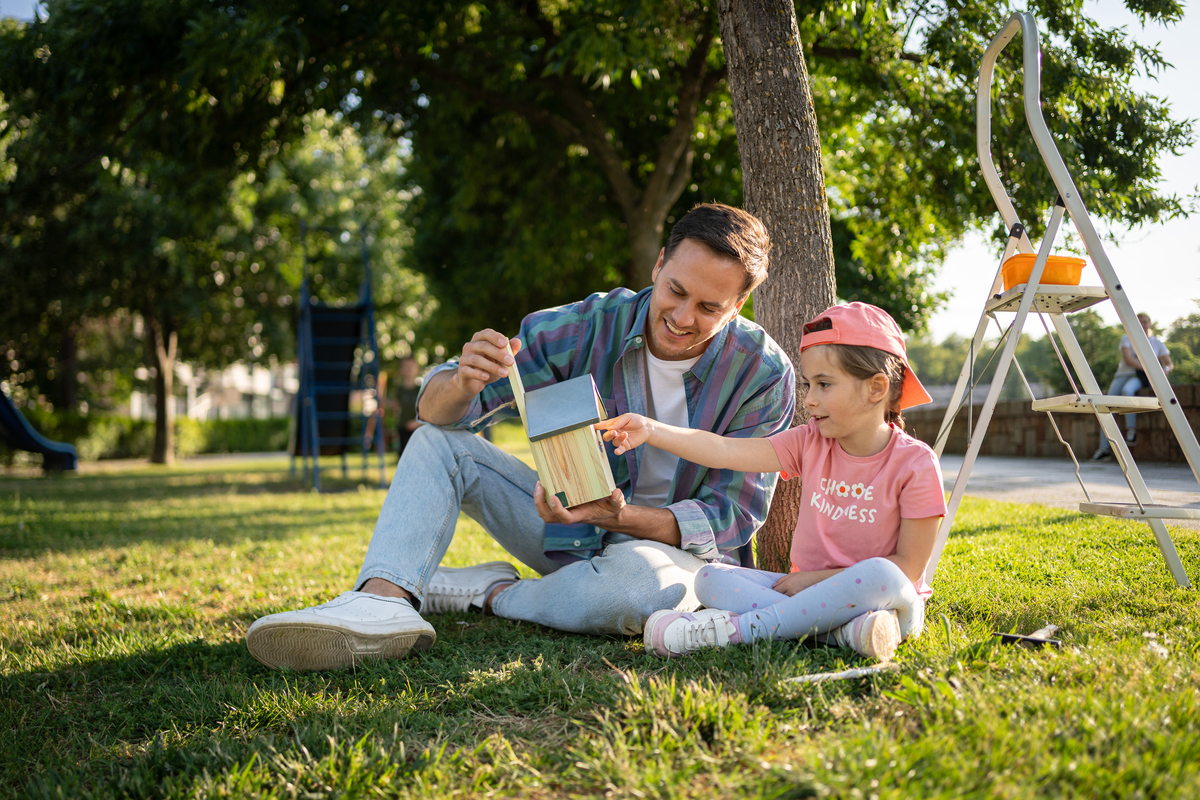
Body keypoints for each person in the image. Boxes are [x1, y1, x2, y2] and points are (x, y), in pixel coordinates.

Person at [244, 203, 795, 671]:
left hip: (668, 557)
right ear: (658, 264)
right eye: (675, 291)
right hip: (565, 532)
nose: (681, 316)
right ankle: (381, 602)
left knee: (632, 593)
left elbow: (730, 518)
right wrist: (462, 380)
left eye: (708, 308)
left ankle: (488, 593)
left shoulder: (764, 374)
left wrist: (613, 516)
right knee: (439, 443)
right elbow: (437, 413)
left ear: (738, 306)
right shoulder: (588, 325)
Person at [595, 302, 946, 661]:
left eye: (824, 385)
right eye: (808, 384)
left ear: (876, 388)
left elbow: (908, 568)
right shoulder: (810, 441)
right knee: (710, 578)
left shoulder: (916, 464)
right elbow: (724, 451)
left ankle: (736, 632)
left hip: (890, 603)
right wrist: (651, 429)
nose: (809, 399)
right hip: (809, 598)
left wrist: (813, 581)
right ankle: (844, 633)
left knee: (881, 574)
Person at [1090, 312, 1173, 461]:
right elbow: (1128, 359)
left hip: (1137, 377)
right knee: (1105, 409)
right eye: (1139, 322)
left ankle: (1131, 430)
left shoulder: (1157, 342)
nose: (1142, 324)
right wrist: (1151, 370)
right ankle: (1104, 449)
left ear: (1150, 324)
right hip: (1122, 376)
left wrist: (1164, 370)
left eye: (1145, 321)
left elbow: (1169, 363)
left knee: (1127, 391)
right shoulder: (1127, 338)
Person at [394, 356, 422, 455]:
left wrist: (417, 421)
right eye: (406, 367)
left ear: (417, 368)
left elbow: (426, 409)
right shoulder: (399, 390)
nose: (409, 369)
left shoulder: (420, 390)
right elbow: (396, 406)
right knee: (404, 454)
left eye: (411, 366)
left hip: (417, 428)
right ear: (401, 370)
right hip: (403, 427)